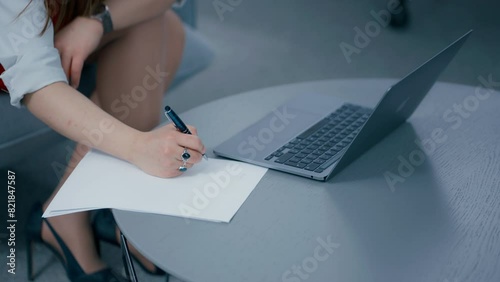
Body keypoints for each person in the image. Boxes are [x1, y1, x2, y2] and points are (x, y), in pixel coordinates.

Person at [0, 0, 206, 281]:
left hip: (62, 23)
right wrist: (138, 146)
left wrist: (99, 21)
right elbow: (35, 82)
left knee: (161, 25)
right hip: (13, 46)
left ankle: (68, 211)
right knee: (153, 27)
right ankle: (81, 214)